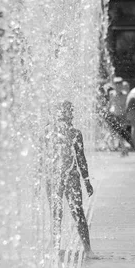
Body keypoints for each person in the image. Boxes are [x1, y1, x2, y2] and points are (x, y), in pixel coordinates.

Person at [45, 100, 95, 259]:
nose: (71, 114)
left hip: (57, 176)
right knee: (73, 212)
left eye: (71, 111)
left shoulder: (67, 132)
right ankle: (86, 250)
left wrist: (87, 180)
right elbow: (81, 159)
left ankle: (80, 249)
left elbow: (80, 158)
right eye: (68, 111)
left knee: (60, 213)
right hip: (63, 176)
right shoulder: (69, 133)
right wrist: (86, 181)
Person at [108, 77, 129, 156]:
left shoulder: (125, 94)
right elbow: (111, 103)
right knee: (117, 133)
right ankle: (123, 149)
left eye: (120, 85)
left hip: (123, 116)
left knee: (121, 133)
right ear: (114, 85)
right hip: (114, 115)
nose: (118, 86)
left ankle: (123, 149)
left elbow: (127, 105)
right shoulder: (111, 93)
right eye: (116, 85)